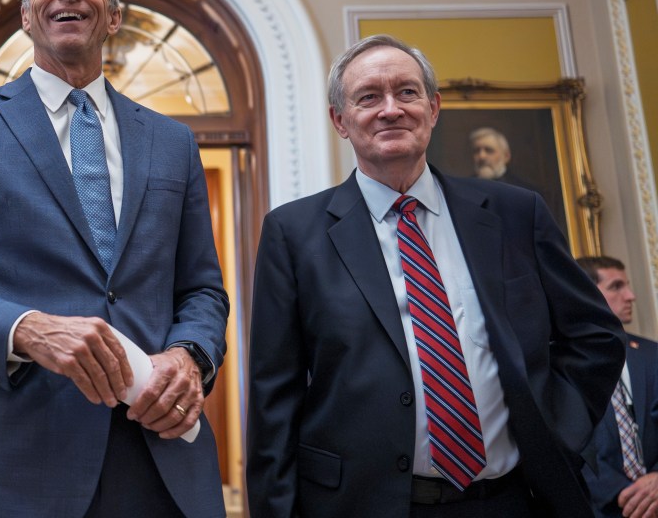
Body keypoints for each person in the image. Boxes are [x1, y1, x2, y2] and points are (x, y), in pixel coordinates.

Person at [0, 0, 228, 518]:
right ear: (27, 16)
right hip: (15, 458)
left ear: (114, 17)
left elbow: (202, 289)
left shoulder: (173, 141)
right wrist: (26, 329)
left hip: (156, 454)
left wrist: (190, 356)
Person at [246, 34, 625, 517]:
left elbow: (595, 335)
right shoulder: (293, 233)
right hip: (363, 505)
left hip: (511, 501)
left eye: (407, 92)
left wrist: (557, 427)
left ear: (433, 107)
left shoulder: (514, 213)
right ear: (340, 121)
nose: (391, 110)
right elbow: (273, 397)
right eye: (368, 97)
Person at [577, 256, 658, 518]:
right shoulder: (557, 360)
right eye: (616, 286)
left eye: (628, 285)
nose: (631, 296)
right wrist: (632, 497)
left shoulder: (652, 354)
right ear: (585, 293)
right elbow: (566, 445)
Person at [470, 126, 535, 190]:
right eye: (476, 151)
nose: (481, 156)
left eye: (489, 150)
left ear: (506, 156)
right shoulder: (466, 188)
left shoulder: (525, 190)